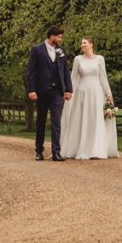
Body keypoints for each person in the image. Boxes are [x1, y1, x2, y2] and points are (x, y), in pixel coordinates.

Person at [61, 36, 119, 160]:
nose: (82, 45)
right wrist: (69, 92)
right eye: (81, 43)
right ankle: (80, 148)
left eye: (84, 43)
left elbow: (103, 78)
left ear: (91, 44)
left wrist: (109, 95)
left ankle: (96, 149)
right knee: (82, 119)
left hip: (97, 93)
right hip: (82, 93)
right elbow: (74, 78)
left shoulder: (100, 59)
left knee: (95, 119)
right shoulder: (78, 59)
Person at [26, 25, 72, 161]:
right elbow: (31, 72)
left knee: (56, 121)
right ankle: (38, 151)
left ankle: (56, 152)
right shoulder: (36, 50)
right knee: (41, 121)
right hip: (41, 91)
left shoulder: (61, 51)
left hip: (57, 92)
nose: (61, 39)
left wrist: (69, 89)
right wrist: (31, 90)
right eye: (59, 37)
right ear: (52, 37)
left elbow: (65, 71)